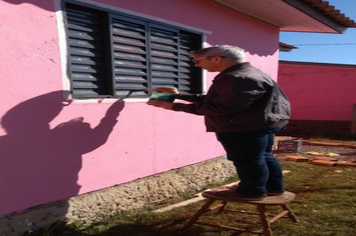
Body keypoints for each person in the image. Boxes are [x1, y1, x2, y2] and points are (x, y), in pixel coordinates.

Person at [147, 45, 291, 201]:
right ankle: (273, 188)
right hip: (261, 124)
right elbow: (216, 100)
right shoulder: (247, 74)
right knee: (263, 156)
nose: (196, 64)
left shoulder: (237, 78)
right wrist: (179, 95)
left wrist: (175, 106)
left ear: (216, 58)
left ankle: (251, 191)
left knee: (247, 159)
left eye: (197, 60)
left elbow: (220, 107)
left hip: (244, 127)